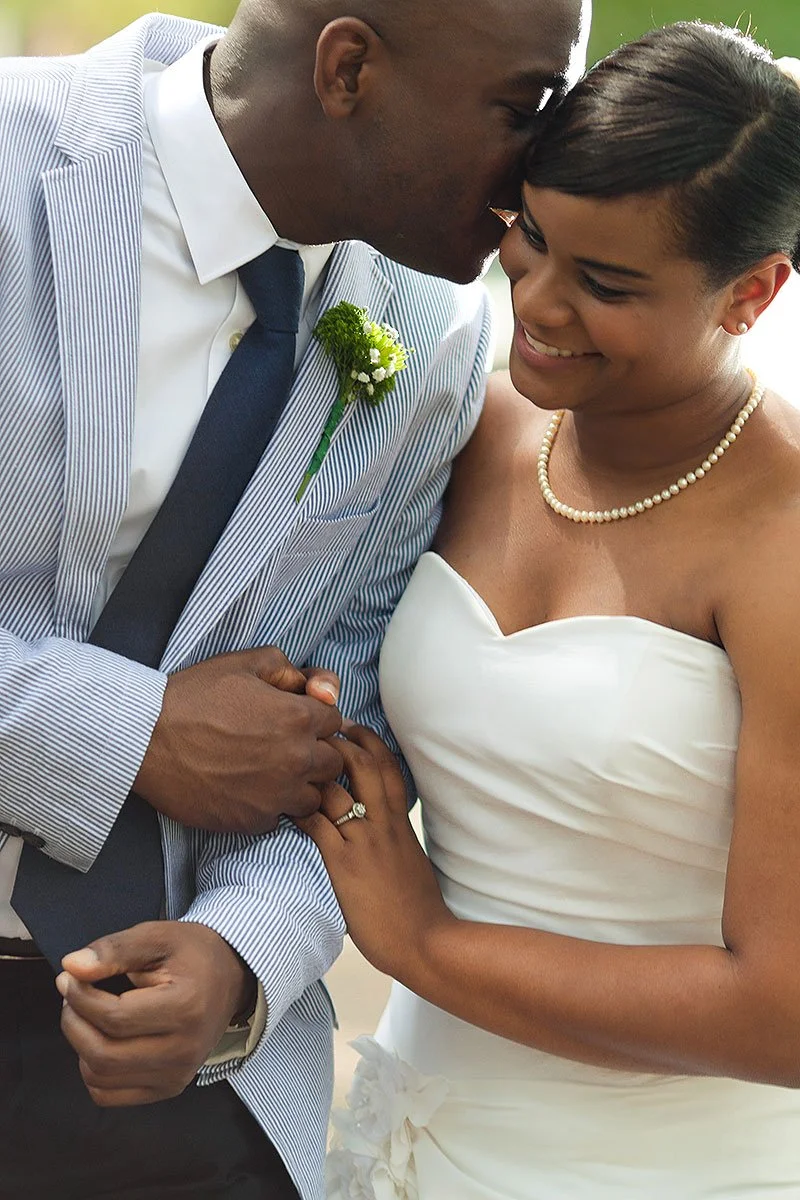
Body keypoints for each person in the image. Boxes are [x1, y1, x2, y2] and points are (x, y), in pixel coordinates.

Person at [0, 1, 590, 1197]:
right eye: (522, 106)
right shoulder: (18, 170)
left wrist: (240, 953)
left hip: (186, 1089)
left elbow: (352, 707)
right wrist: (133, 735)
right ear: (348, 67)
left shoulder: (430, 327)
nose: (541, 165)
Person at [299, 22, 800, 1199]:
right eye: (529, 234)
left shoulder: (779, 542)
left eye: (605, 284)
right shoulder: (465, 428)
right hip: (410, 1137)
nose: (536, 301)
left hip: (667, 1171)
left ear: (751, 292)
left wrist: (423, 943)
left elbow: (782, 1012)